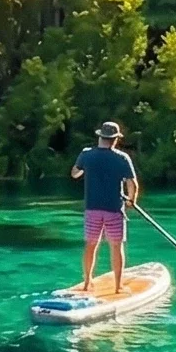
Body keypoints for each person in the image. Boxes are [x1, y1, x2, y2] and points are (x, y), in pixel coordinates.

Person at [71, 118, 139, 296]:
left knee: (91, 245)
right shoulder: (122, 158)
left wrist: (85, 168)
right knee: (116, 246)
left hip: (92, 209)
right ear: (116, 139)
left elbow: (74, 174)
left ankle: (87, 283)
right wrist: (131, 201)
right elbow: (133, 184)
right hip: (114, 210)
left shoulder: (86, 154)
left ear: (100, 136)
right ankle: (117, 287)